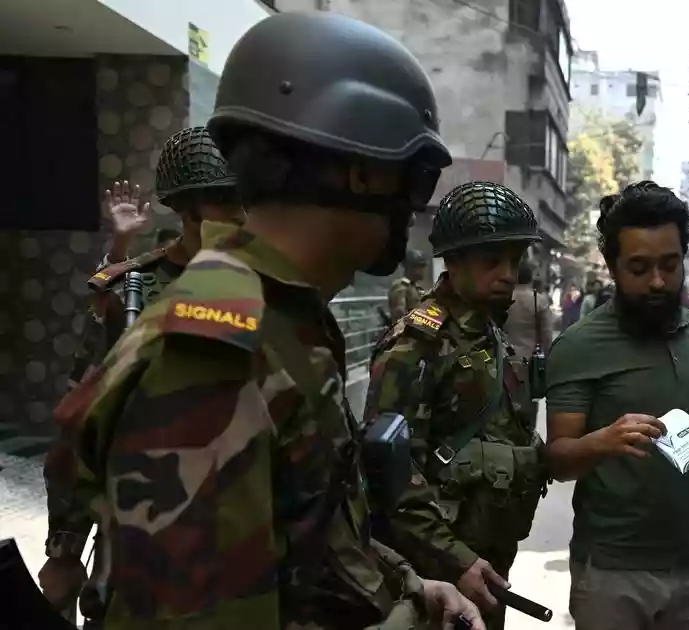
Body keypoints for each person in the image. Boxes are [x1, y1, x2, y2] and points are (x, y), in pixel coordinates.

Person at [48, 12, 482, 630]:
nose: (413, 205)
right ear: (362, 171)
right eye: (413, 175)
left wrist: (410, 587)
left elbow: (308, 536)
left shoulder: (282, 324)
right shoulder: (215, 356)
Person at [40, 127, 243, 626]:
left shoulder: (259, 290)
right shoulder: (132, 293)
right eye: (228, 203)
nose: (241, 217)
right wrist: (66, 548)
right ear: (190, 210)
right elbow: (79, 422)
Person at [367, 181, 547, 630]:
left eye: (514, 259)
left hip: (486, 564)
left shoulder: (489, 333)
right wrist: (457, 560)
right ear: (455, 261)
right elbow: (391, 478)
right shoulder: (415, 347)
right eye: (492, 261)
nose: (507, 273)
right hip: (437, 579)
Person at [544, 181, 689, 630]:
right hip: (612, 574)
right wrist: (604, 441)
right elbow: (557, 460)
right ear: (612, 266)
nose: (658, 281)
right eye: (639, 268)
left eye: (669, 265)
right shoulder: (579, 346)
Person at [504, 261, 554, 360]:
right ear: (531, 279)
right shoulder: (539, 300)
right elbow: (546, 334)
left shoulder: (503, 298)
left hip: (504, 356)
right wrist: (549, 357)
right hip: (529, 357)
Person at [389, 248, 430, 322]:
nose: (424, 270)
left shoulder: (417, 288)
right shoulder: (401, 286)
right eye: (421, 266)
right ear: (411, 268)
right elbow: (400, 313)